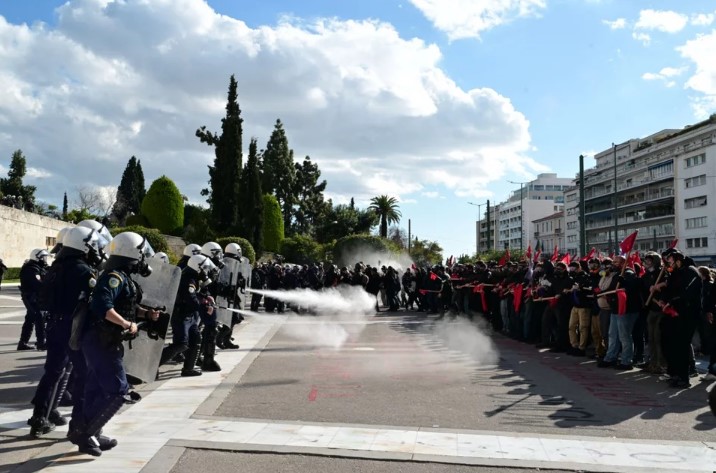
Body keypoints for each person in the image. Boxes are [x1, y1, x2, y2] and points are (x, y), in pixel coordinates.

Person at [75, 231, 159, 456]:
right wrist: (126, 324)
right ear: (132, 253)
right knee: (118, 391)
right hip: (101, 340)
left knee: (95, 388)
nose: (144, 259)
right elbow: (103, 306)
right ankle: (86, 434)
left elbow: (125, 305)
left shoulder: (122, 276)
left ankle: (93, 432)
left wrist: (145, 314)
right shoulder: (114, 276)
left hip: (104, 340)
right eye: (141, 254)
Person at [27, 227, 103, 439]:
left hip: (54, 326)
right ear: (84, 246)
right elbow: (94, 300)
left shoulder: (56, 267)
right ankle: (80, 424)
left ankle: (40, 416)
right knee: (83, 374)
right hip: (73, 328)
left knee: (53, 372)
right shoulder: (84, 271)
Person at [159, 254, 217, 375]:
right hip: (182, 316)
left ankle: (188, 369)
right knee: (181, 344)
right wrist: (205, 305)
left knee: (196, 339)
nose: (206, 270)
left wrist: (205, 297)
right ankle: (153, 366)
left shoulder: (193, 276)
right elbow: (191, 299)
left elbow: (195, 295)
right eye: (204, 267)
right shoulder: (188, 279)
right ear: (198, 267)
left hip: (189, 316)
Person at [18, 249, 50, 351]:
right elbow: (39, 284)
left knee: (30, 319)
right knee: (39, 317)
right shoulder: (31, 269)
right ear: (38, 257)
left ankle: (23, 343)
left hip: (34, 297)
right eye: (43, 257)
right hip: (32, 297)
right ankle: (41, 343)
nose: (45, 260)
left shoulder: (37, 267)